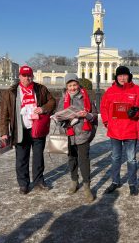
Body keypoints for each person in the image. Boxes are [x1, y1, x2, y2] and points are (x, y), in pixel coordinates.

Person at [0, 65, 56, 194]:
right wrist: (4, 133)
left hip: (37, 128)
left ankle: (39, 181)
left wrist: (43, 108)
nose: (27, 78)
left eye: (29, 75)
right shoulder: (11, 92)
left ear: (32, 76)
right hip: (20, 130)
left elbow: (52, 101)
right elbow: (4, 115)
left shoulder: (41, 88)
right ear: (19, 76)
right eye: (24, 75)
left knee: (38, 158)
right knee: (21, 159)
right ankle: (23, 184)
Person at [100, 66, 139, 196]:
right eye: (120, 75)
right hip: (115, 130)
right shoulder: (110, 91)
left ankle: (132, 183)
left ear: (129, 76)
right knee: (115, 157)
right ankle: (115, 181)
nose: (122, 78)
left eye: (124, 75)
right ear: (116, 77)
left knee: (131, 159)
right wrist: (106, 122)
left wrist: (137, 112)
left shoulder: (137, 90)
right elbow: (103, 108)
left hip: (130, 130)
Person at [54, 74, 98, 203]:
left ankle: (86, 186)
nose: (72, 88)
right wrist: (60, 119)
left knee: (84, 160)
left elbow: (94, 115)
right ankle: (74, 181)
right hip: (68, 134)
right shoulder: (63, 99)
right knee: (72, 159)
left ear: (78, 85)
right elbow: (58, 117)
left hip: (82, 134)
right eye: (70, 86)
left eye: (74, 85)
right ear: (66, 87)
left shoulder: (86, 98)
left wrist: (87, 115)